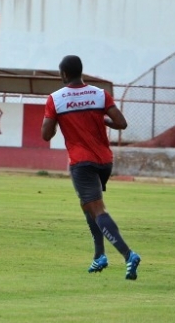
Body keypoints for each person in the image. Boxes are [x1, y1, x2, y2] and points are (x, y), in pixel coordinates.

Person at [41, 55, 142, 280]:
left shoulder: (56, 99)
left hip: (81, 162)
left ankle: (128, 255)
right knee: (87, 205)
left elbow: (46, 134)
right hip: (104, 161)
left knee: (96, 209)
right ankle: (99, 255)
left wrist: (57, 121)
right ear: (80, 72)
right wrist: (103, 120)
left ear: (64, 74)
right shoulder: (99, 94)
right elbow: (121, 123)